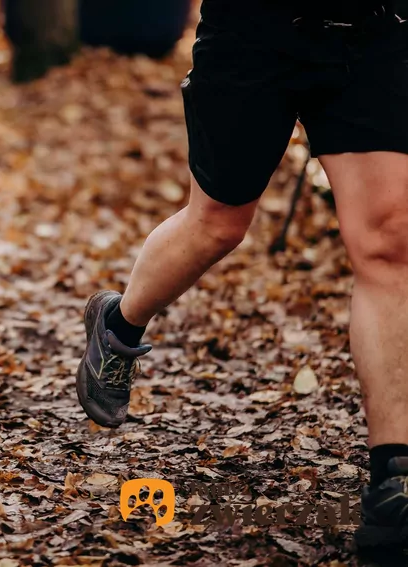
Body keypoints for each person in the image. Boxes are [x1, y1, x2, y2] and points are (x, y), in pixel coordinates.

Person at [75, 0, 408, 551]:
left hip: (373, 30)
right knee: (217, 225)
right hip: (253, 29)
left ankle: (393, 482)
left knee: (389, 241)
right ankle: (118, 325)